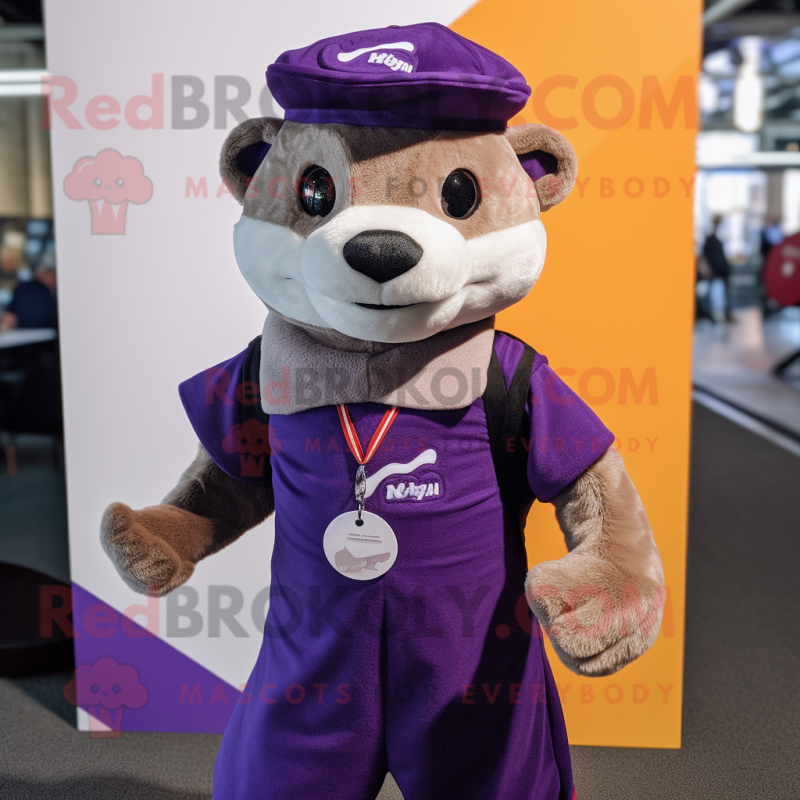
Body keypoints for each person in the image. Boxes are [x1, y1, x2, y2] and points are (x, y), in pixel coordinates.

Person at [0, 261, 57, 332]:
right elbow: (10, 315)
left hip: (39, 335)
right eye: (51, 274)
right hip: (30, 335)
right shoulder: (27, 289)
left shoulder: (52, 291)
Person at [702, 215, 735, 323]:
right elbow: (705, 255)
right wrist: (707, 268)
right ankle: (710, 315)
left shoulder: (719, 237)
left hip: (722, 269)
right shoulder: (710, 239)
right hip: (714, 269)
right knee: (710, 293)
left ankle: (727, 314)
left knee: (725, 293)